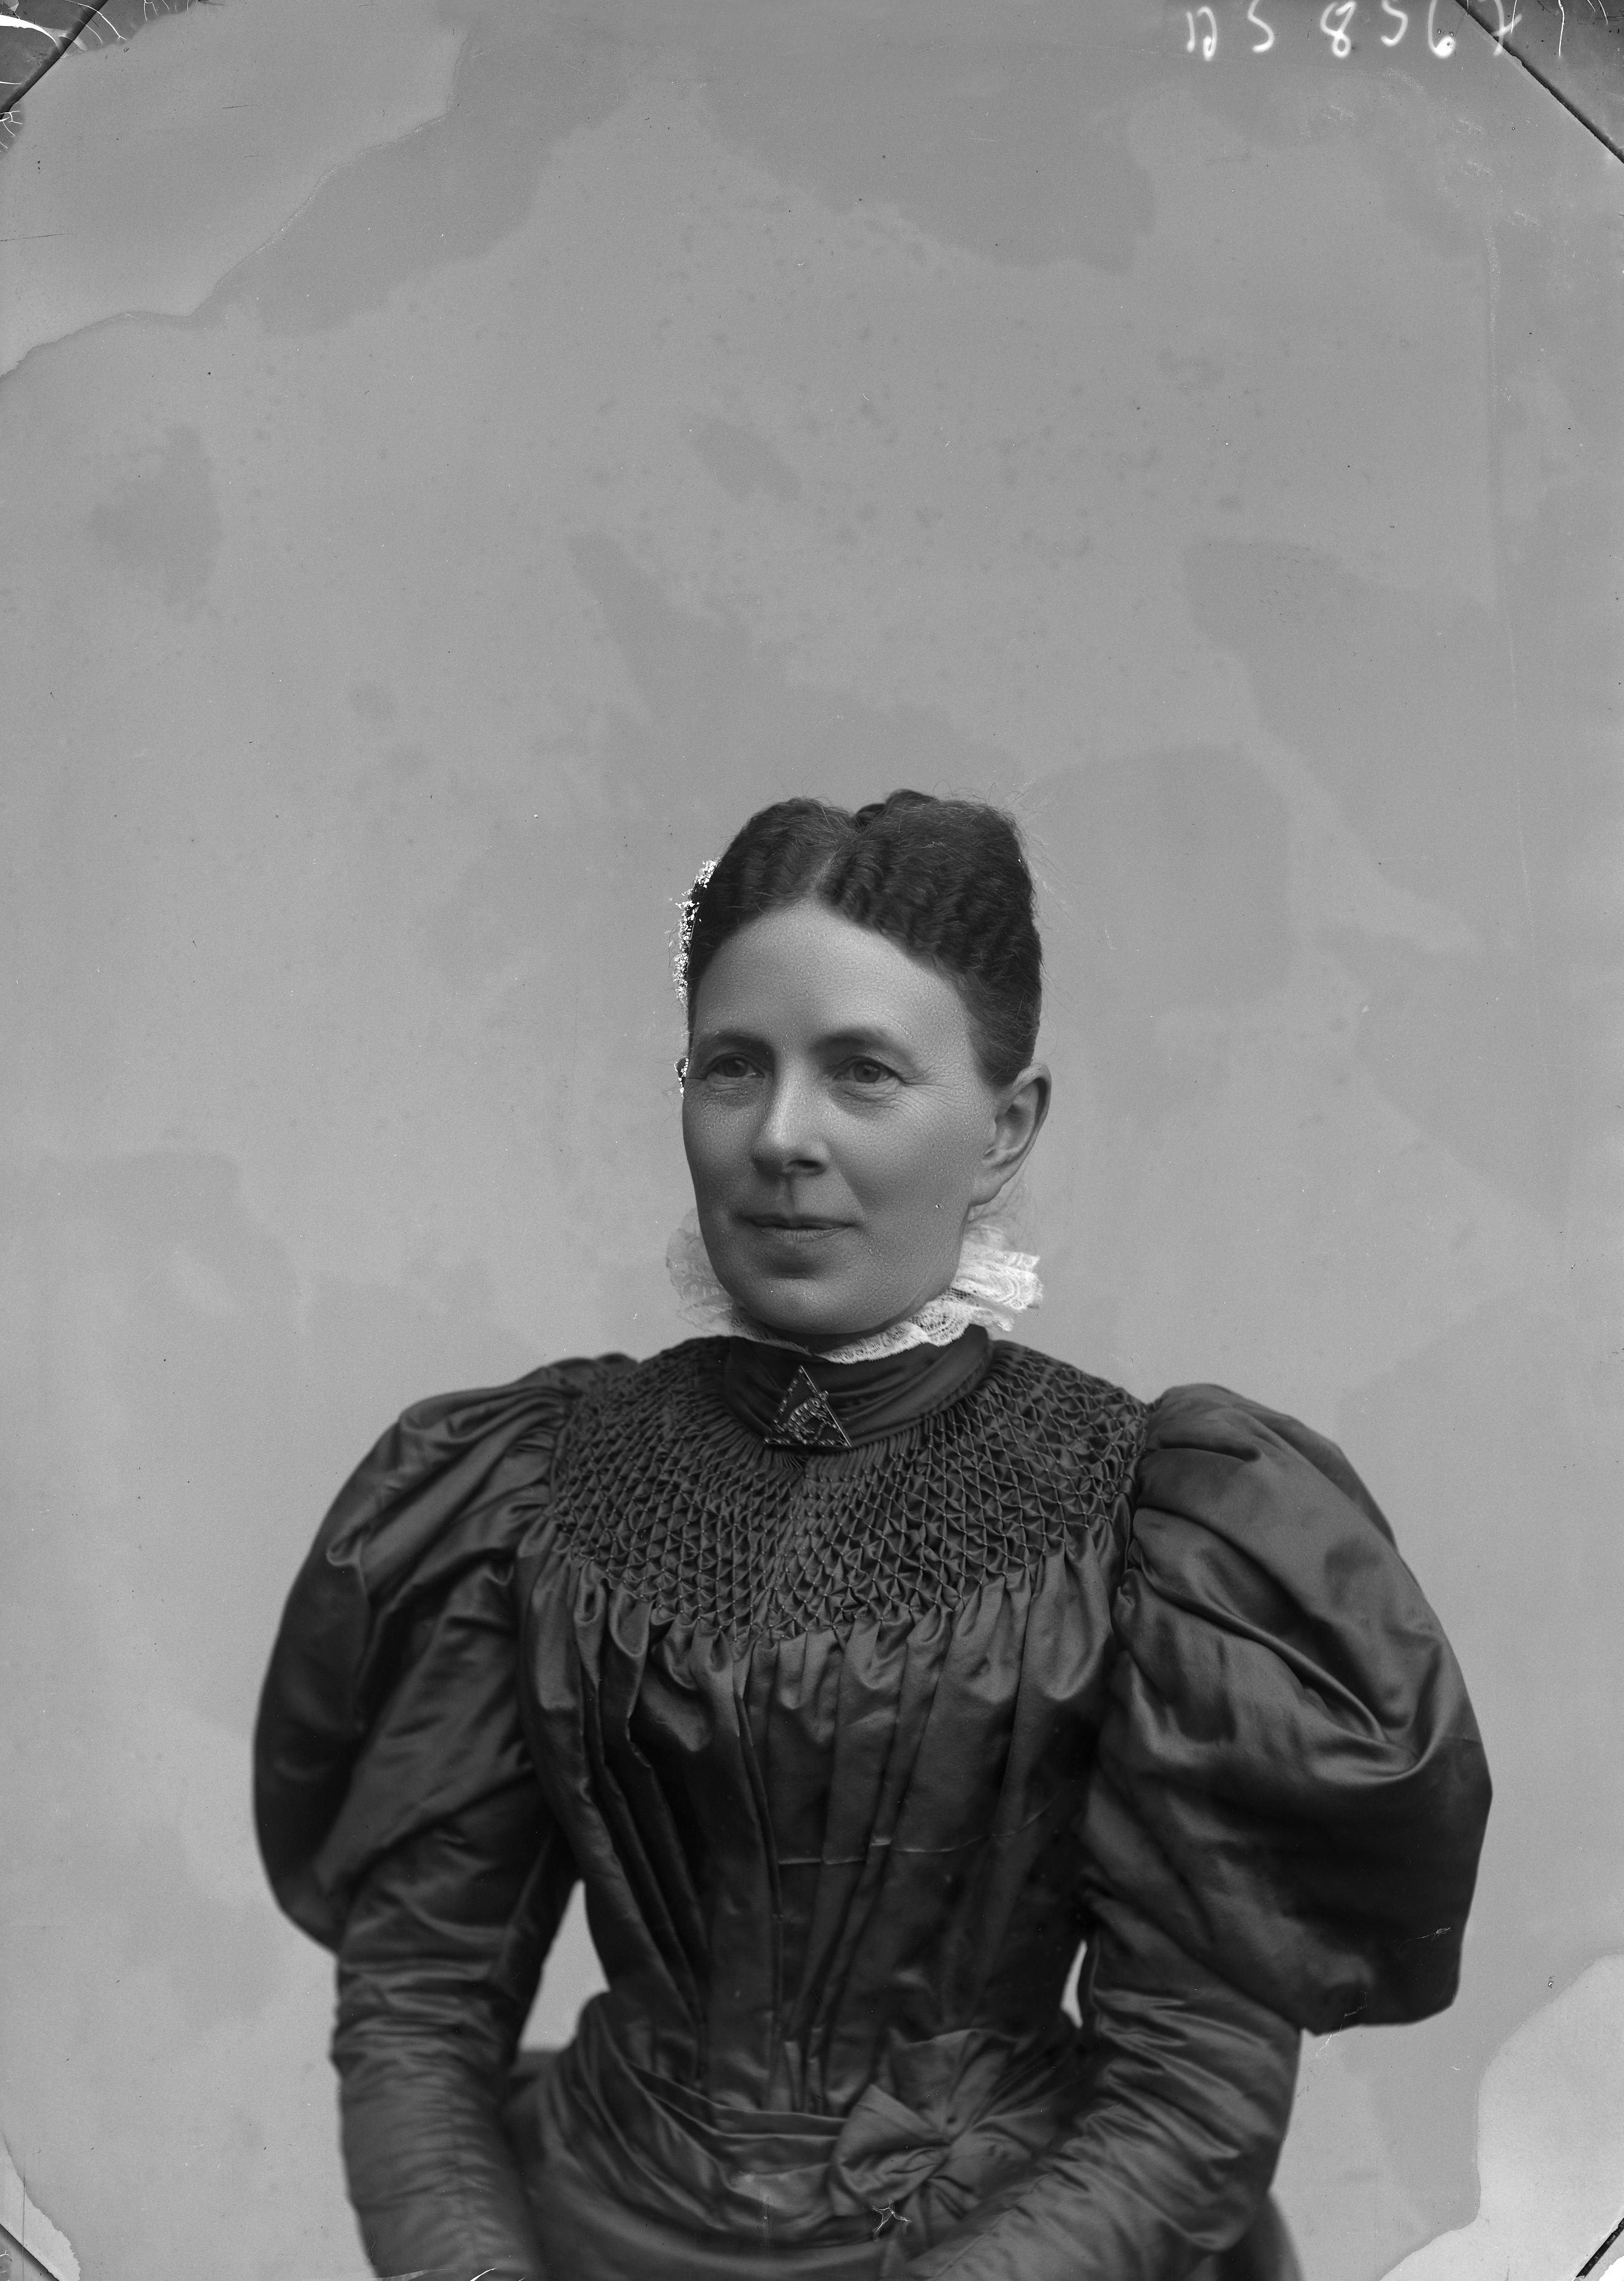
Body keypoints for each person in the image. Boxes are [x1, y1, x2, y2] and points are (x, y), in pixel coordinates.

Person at [254, 792, 1492, 2281]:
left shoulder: (1150, 1521)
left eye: (861, 1072)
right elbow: (418, 2003)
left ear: (1004, 1126)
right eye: (731, 1066)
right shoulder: (531, 1489)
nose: (781, 1137)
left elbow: (1188, 2101)